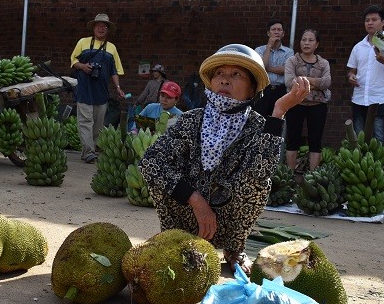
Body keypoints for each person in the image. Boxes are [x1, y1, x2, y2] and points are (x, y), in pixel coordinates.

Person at [139, 44, 310, 274]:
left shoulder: (257, 127)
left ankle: (234, 249)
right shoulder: (191, 121)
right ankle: (173, 238)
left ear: (252, 90)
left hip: (226, 223)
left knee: (259, 182)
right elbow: (151, 161)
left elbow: (261, 174)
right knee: (161, 168)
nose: (225, 80)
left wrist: (278, 112)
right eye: (219, 73)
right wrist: (194, 199)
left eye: (236, 75)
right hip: (186, 217)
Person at [347, 5, 384, 151]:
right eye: (367, 20)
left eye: (374, 19)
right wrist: (351, 76)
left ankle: (383, 174)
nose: (370, 23)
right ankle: (360, 173)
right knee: (358, 141)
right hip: (359, 99)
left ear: (383, 22)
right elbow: (351, 70)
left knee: (381, 141)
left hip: (380, 99)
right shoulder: (358, 47)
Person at [70, 13, 125, 164]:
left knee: (98, 124)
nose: (101, 28)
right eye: (98, 25)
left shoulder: (112, 48)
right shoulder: (83, 42)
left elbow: (114, 71)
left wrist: (118, 88)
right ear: (93, 27)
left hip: (101, 91)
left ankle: (89, 150)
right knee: (85, 121)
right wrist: (83, 66)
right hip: (85, 89)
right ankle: (89, 152)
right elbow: (73, 60)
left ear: (107, 30)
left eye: (104, 26)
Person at [284, 29, 332, 171]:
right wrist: (316, 82)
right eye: (304, 40)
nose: (306, 43)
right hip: (295, 103)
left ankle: (313, 177)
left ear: (316, 44)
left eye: (310, 40)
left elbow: (327, 83)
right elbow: (289, 81)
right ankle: (290, 177)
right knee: (293, 140)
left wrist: (303, 80)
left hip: (318, 105)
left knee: (315, 141)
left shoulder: (323, 63)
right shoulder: (292, 60)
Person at [253, 19, 294, 117]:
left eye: (279, 30)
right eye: (273, 29)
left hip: (280, 91)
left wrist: (267, 68)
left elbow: (286, 70)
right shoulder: (259, 50)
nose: (276, 32)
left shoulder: (289, 52)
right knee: (260, 120)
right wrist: (269, 46)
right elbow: (260, 67)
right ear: (268, 33)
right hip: (263, 90)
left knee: (276, 122)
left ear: (283, 33)